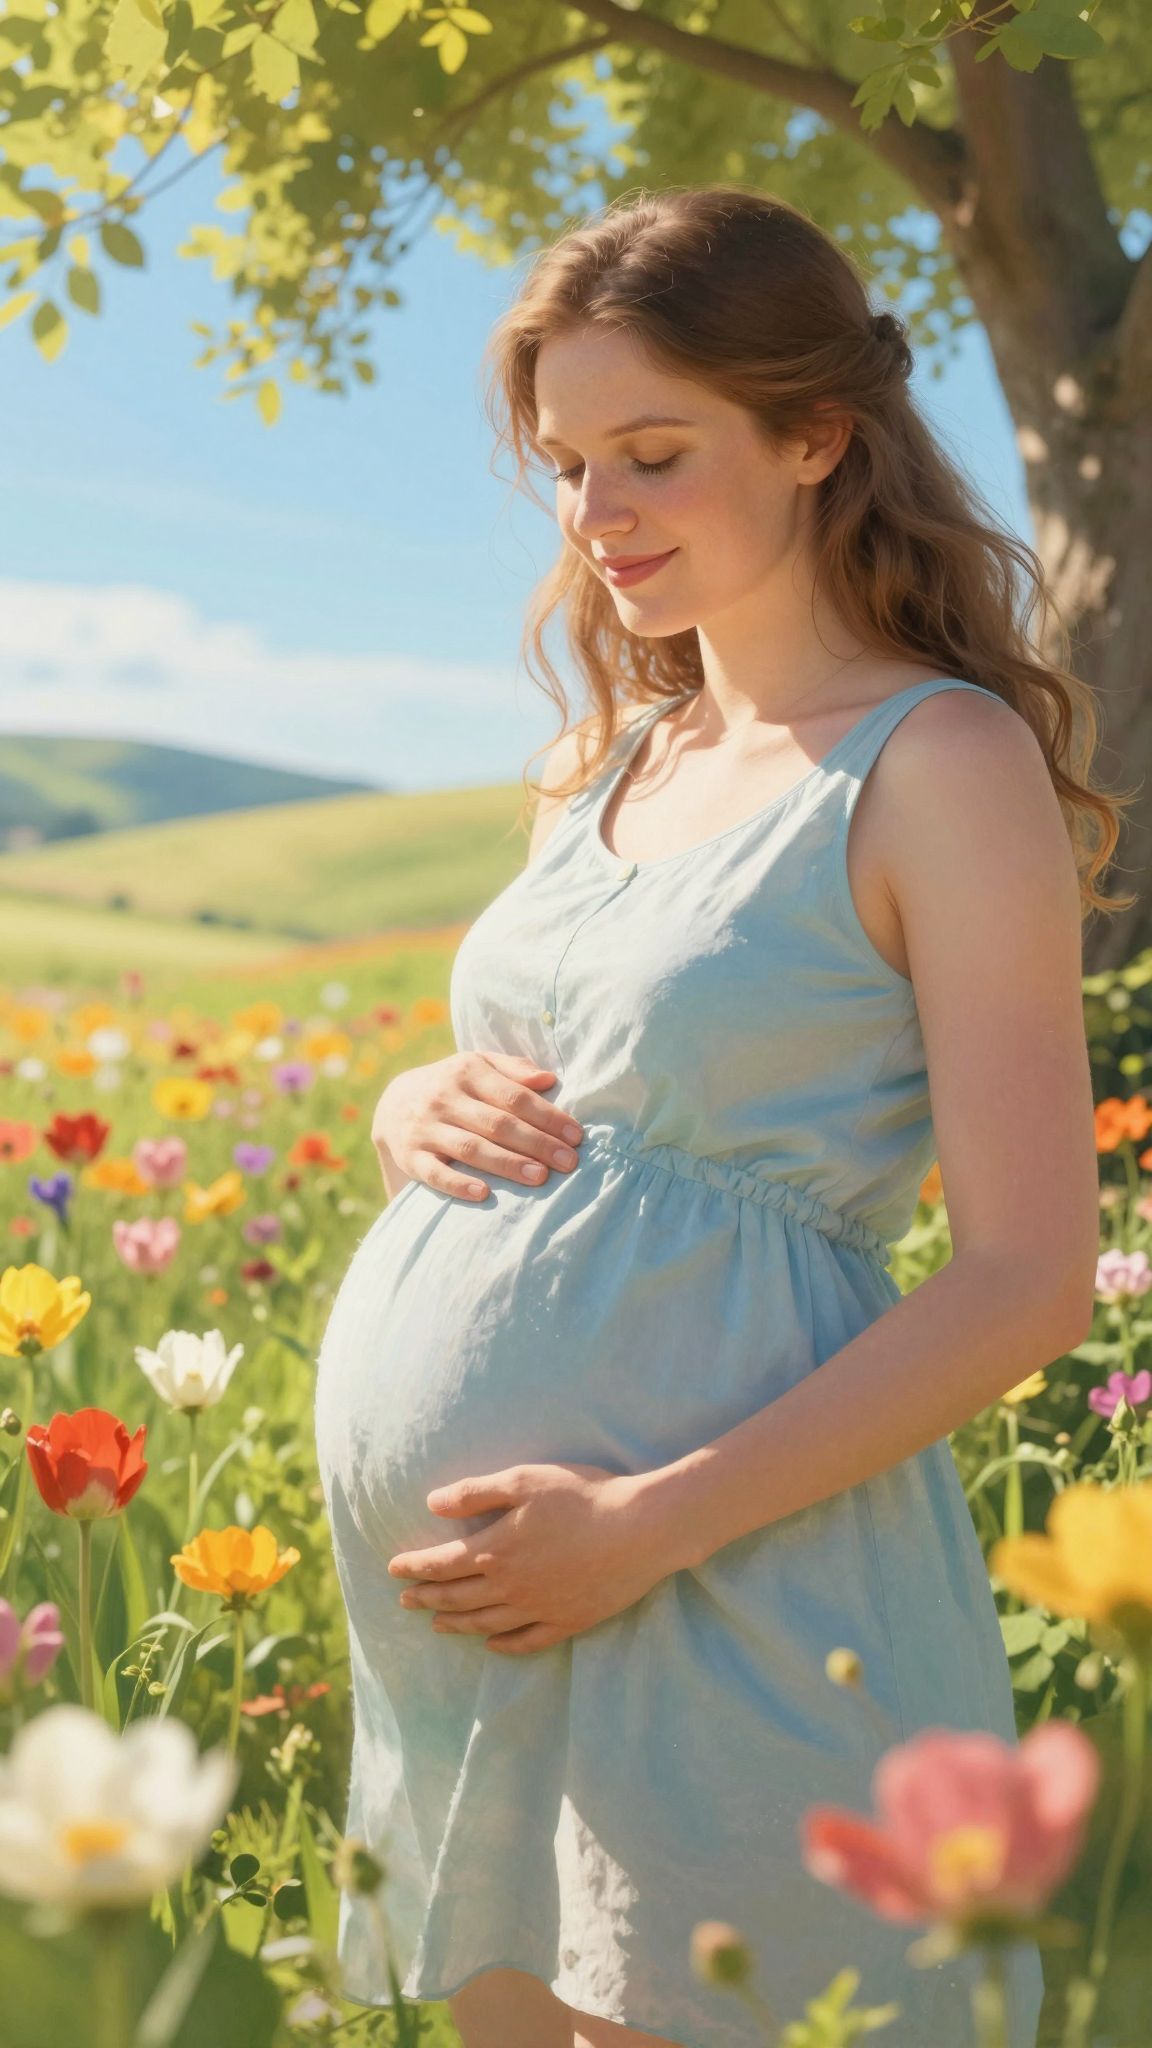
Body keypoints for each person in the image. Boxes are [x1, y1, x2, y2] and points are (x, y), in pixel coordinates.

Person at [313, 185, 1126, 2048]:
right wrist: (405, 1105)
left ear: (816, 434)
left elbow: (1027, 1278)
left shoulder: (938, 763)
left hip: (730, 1592)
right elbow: (590, 1084)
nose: (597, 520)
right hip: (482, 1651)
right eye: (570, 465)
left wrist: (644, 1525)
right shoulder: (597, 761)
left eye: (653, 456)